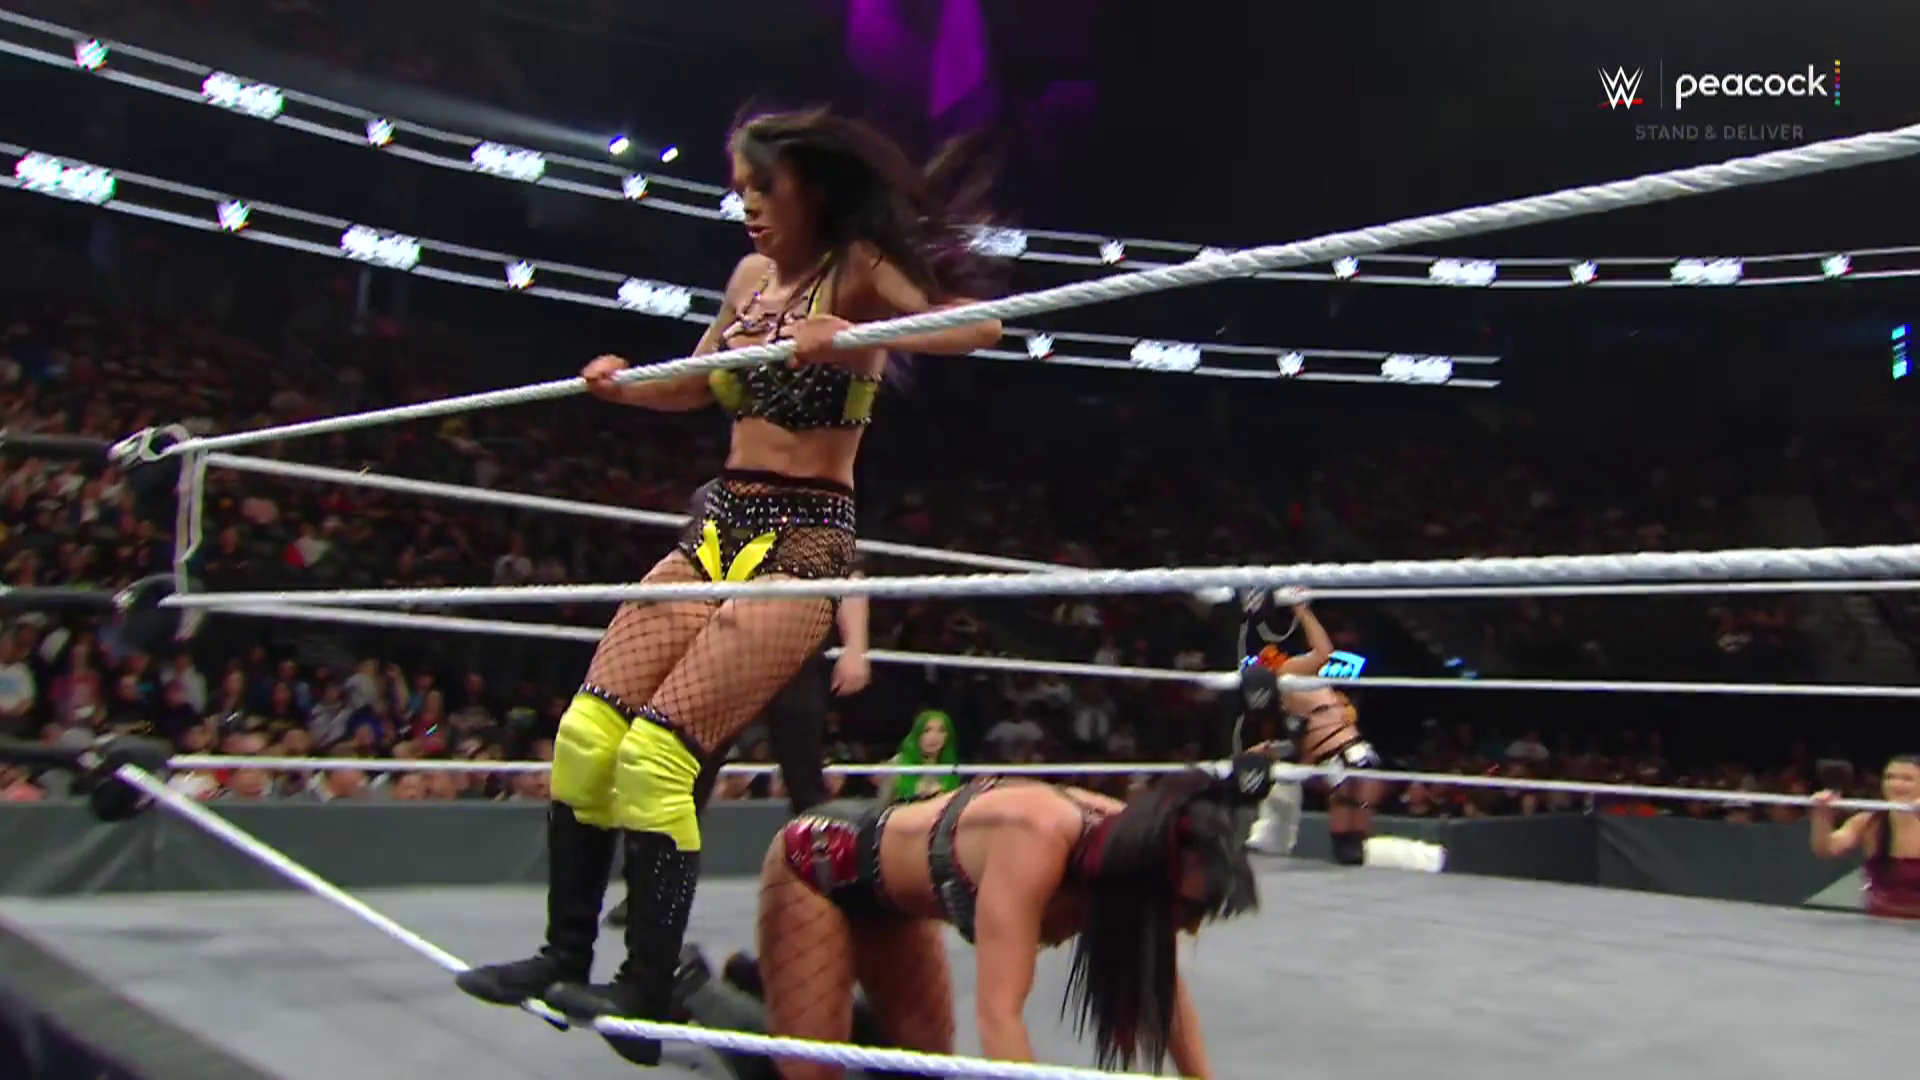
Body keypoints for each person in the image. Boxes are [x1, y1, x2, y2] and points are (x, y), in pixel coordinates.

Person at [454, 107, 1003, 1064]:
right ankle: (563, 954)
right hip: (715, 527)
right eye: (740, 188)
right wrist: (623, 385)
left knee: (658, 759)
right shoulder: (749, 279)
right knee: (586, 737)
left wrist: (856, 332)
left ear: (812, 191)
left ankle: (649, 983)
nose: (746, 205)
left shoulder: (858, 266)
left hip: (804, 541)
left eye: (764, 187)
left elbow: (979, 327)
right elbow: (700, 380)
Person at [746, 747, 1280, 1080]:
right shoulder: (1039, 838)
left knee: (924, 1067)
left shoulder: (1132, 862)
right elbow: (998, 1017)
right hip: (819, 863)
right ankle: (722, 996)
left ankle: (834, 1011)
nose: (1189, 926)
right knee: (810, 1072)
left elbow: (1164, 991)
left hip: (895, 902)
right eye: (1190, 909)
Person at [603, 481, 874, 928]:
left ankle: (841, 894)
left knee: (805, 783)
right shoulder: (712, 496)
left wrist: (856, 648)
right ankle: (649, 896)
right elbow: (690, 573)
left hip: (792, 653)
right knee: (688, 777)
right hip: (724, 654)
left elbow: (848, 577)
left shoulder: (815, 498)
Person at [1809, 754, 1920, 919]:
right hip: (1881, 922)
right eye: (1890, 777)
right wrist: (1821, 815)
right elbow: (1826, 849)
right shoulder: (1867, 822)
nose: (1896, 784)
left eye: (1907, 779)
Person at [877, 708, 960, 805]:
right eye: (926, 731)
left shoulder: (952, 768)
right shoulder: (897, 764)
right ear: (917, 734)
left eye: (941, 731)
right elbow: (883, 806)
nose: (933, 737)